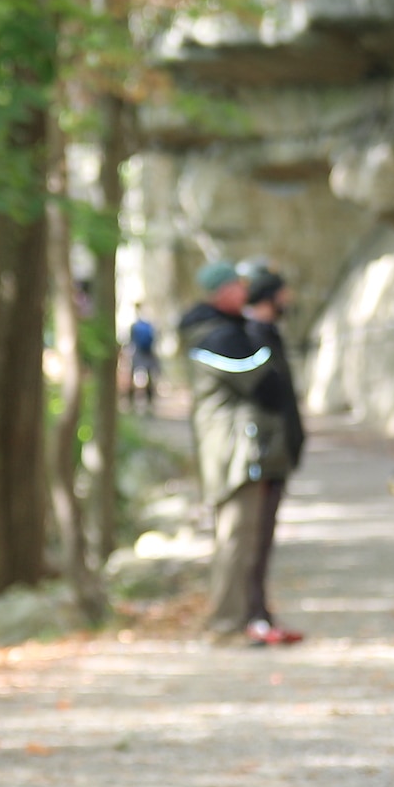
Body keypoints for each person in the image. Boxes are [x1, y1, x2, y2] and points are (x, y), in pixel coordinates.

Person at [181, 260, 300, 644]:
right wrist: (262, 328)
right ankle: (225, 624)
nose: (245, 291)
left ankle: (245, 618)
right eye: (237, 285)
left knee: (247, 541)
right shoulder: (216, 335)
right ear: (221, 291)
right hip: (233, 455)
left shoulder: (227, 330)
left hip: (241, 452)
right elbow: (264, 383)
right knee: (235, 541)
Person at [241, 270, 307, 644]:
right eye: (284, 295)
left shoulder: (268, 335)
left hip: (278, 454)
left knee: (263, 539)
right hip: (263, 455)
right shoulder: (251, 337)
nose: (289, 302)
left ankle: (260, 612)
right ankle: (252, 616)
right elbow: (263, 395)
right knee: (254, 539)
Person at [125, 305, 159, 409]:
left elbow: (131, 341)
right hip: (148, 353)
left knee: (132, 374)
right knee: (150, 376)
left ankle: (130, 401)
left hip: (138, 353)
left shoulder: (134, 326)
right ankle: (150, 402)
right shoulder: (149, 325)